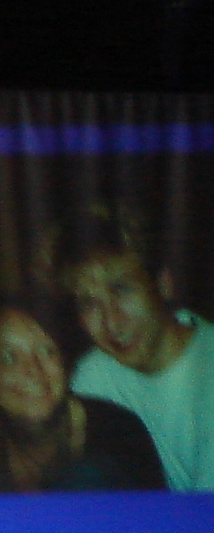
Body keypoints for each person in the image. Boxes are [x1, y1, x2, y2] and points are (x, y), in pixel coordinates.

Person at [52, 202, 214, 492]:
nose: (112, 322)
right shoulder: (95, 375)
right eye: (90, 304)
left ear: (163, 284)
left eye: (122, 289)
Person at [0, 293, 166, 493]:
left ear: (66, 361)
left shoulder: (121, 435)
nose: (32, 370)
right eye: (9, 357)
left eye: (47, 351)